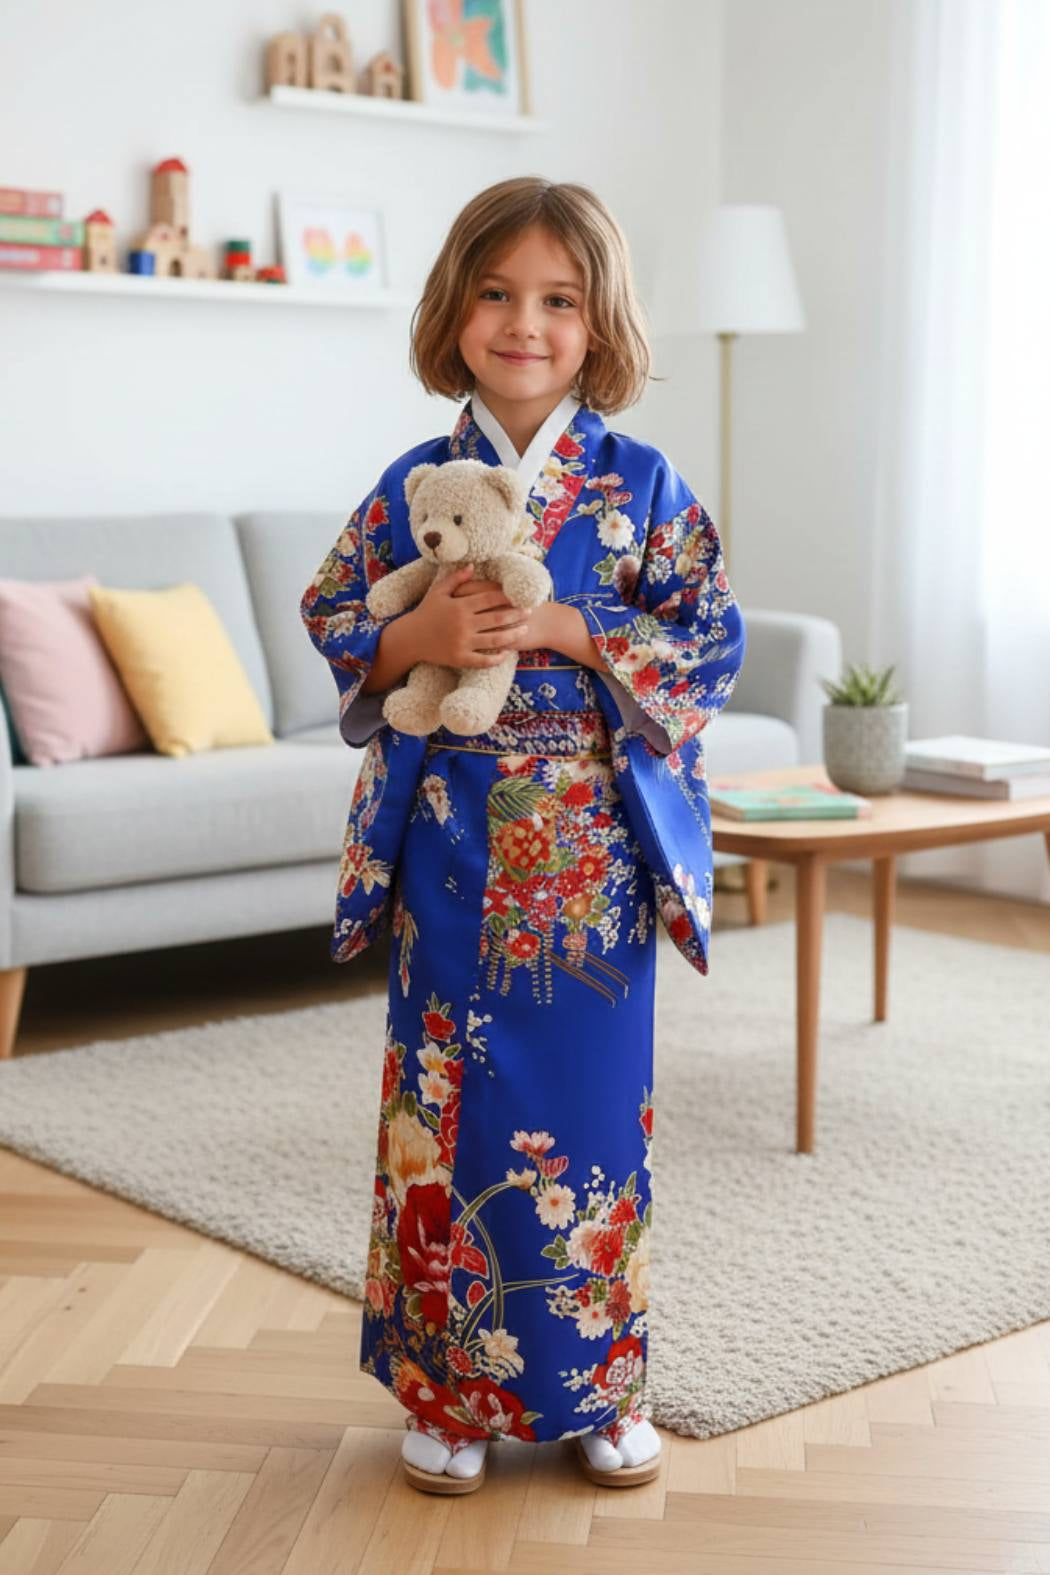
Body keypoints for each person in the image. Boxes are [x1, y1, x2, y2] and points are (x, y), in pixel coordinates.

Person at [300, 176, 746, 1495]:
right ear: (456, 312)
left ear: (597, 325)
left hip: (587, 861)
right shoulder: (412, 483)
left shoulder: (641, 483)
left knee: (593, 1120)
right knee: (447, 1112)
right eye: (495, 294)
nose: (525, 323)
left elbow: (705, 639)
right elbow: (336, 612)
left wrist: (570, 630)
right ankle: (445, 1397)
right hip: (451, 841)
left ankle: (602, 1391)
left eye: (557, 300)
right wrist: (412, 642)